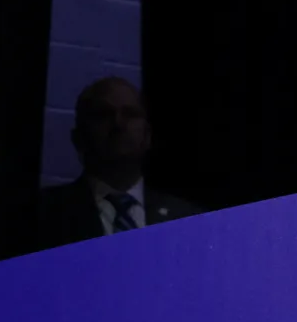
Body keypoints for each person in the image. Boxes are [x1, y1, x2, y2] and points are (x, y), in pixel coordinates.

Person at [32, 77, 201, 247]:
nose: (119, 123)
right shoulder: (41, 213)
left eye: (130, 114)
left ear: (147, 136)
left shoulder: (188, 220)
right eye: (103, 114)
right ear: (79, 138)